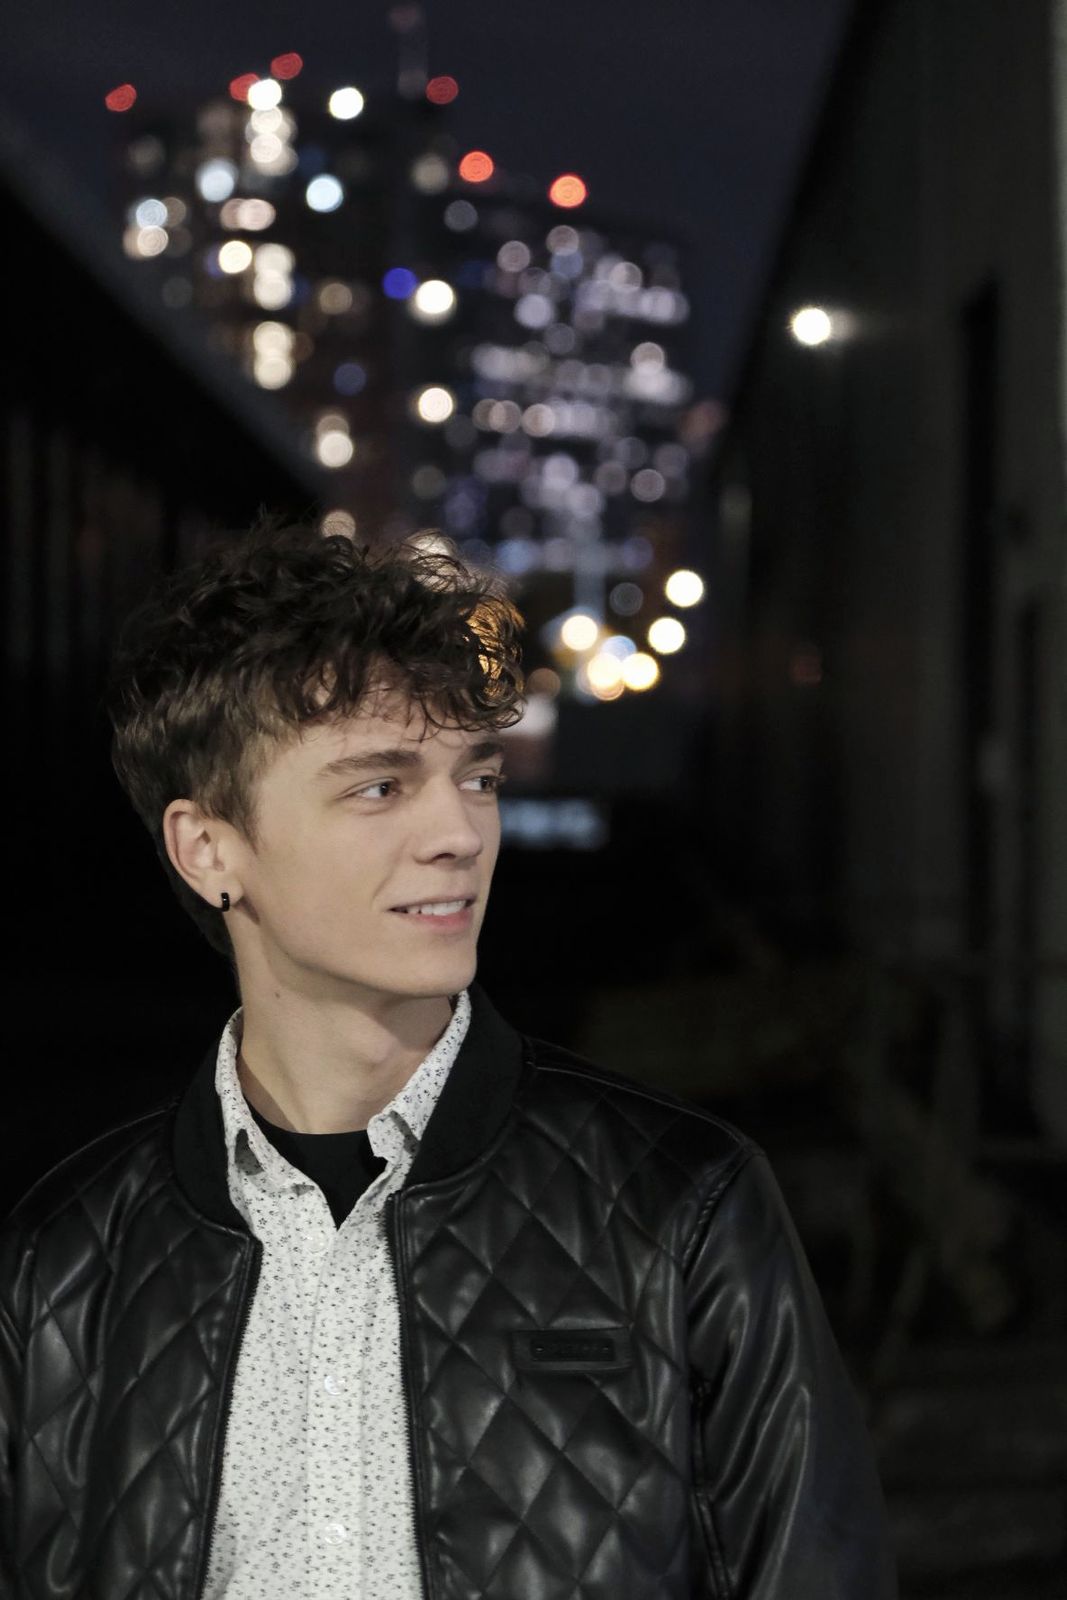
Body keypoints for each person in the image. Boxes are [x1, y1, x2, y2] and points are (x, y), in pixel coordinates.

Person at [0, 520, 898, 1599]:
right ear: (208, 849)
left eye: (476, 779)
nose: (460, 835)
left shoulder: (680, 1208)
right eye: (379, 787)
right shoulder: (64, 1264)